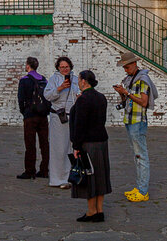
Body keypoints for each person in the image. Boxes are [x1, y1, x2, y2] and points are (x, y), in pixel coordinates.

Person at [113, 51, 157, 202]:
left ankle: (143, 190)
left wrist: (126, 92)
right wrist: (122, 93)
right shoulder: (131, 79)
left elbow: (143, 102)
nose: (125, 70)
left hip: (138, 121)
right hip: (130, 119)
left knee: (141, 155)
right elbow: (128, 99)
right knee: (137, 155)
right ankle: (139, 187)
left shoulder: (142, 79)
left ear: (133, 64)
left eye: (126, 67)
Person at [69, 69, 111, 222]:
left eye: (79, 80)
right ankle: (100, 210)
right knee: (100, 176)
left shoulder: (83, 100)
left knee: (90, 177)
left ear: (84, 81)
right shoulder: (101, 97)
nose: (78, 83)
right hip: (101, 141)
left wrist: (76, 146)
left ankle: (91, 211)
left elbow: (79, 125)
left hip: (88, 143)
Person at [44, 55, 81, 188]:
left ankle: (70, 176)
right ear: (58, 68)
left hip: (73, 116)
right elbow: (47, 96)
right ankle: (57, 178)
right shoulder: (54, 79)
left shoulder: (76, 80)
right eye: (62, 67)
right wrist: (59, 88)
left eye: (66, 67)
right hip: (58, 117)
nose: (65, 69)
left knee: (71, 147)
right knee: (58, 148)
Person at [16, 56, 50, 179]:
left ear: (28, 65)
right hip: (43, 115)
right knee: (44, 143)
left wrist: (24, 112)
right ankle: (44, 170)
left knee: (30, 144)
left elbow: (21, 99)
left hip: (30, 115)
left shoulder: (24, 80)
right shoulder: (44, 80)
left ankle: (30, 171)